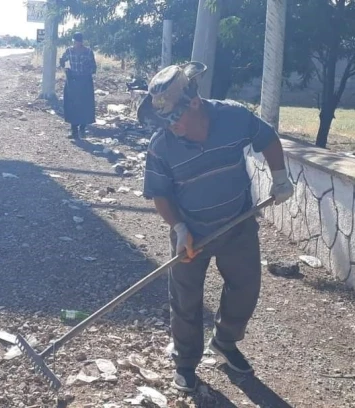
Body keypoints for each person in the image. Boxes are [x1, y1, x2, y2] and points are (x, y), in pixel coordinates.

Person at [136, 61, 294, 392]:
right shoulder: (161, 145)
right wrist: (179, 228)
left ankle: (224, 341)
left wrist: (280, 176)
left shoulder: (233, 117)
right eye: (164, 121)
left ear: (194, 102)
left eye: (174, 118)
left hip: (237, 223)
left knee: (246, 287)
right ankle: (185, 362)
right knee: (185, 298)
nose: (171, 126)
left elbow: (267, 137)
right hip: (190, 232)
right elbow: (160, 195)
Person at [59, 32, 97, 139]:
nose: (76, 43)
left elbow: (93, 67)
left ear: (81, 42)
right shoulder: (69, 51)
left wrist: (85, 72)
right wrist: (67, 69)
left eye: (78, 41)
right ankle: (74, 131)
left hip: (85, 81)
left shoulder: (88, 52)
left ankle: (82, 129)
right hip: (72, 81)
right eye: (75, 41)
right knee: (72, 105)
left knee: (85, 106)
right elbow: (62, 61)